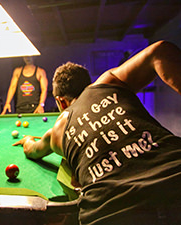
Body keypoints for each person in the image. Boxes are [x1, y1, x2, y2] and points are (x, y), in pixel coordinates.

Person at [14, 40, 181, 225]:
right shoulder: (108, 82)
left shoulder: (57, 130)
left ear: (61, 102)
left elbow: (32, 150)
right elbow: (160, 51)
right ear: (89, 85)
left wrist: (27, 139)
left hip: (112, 214)